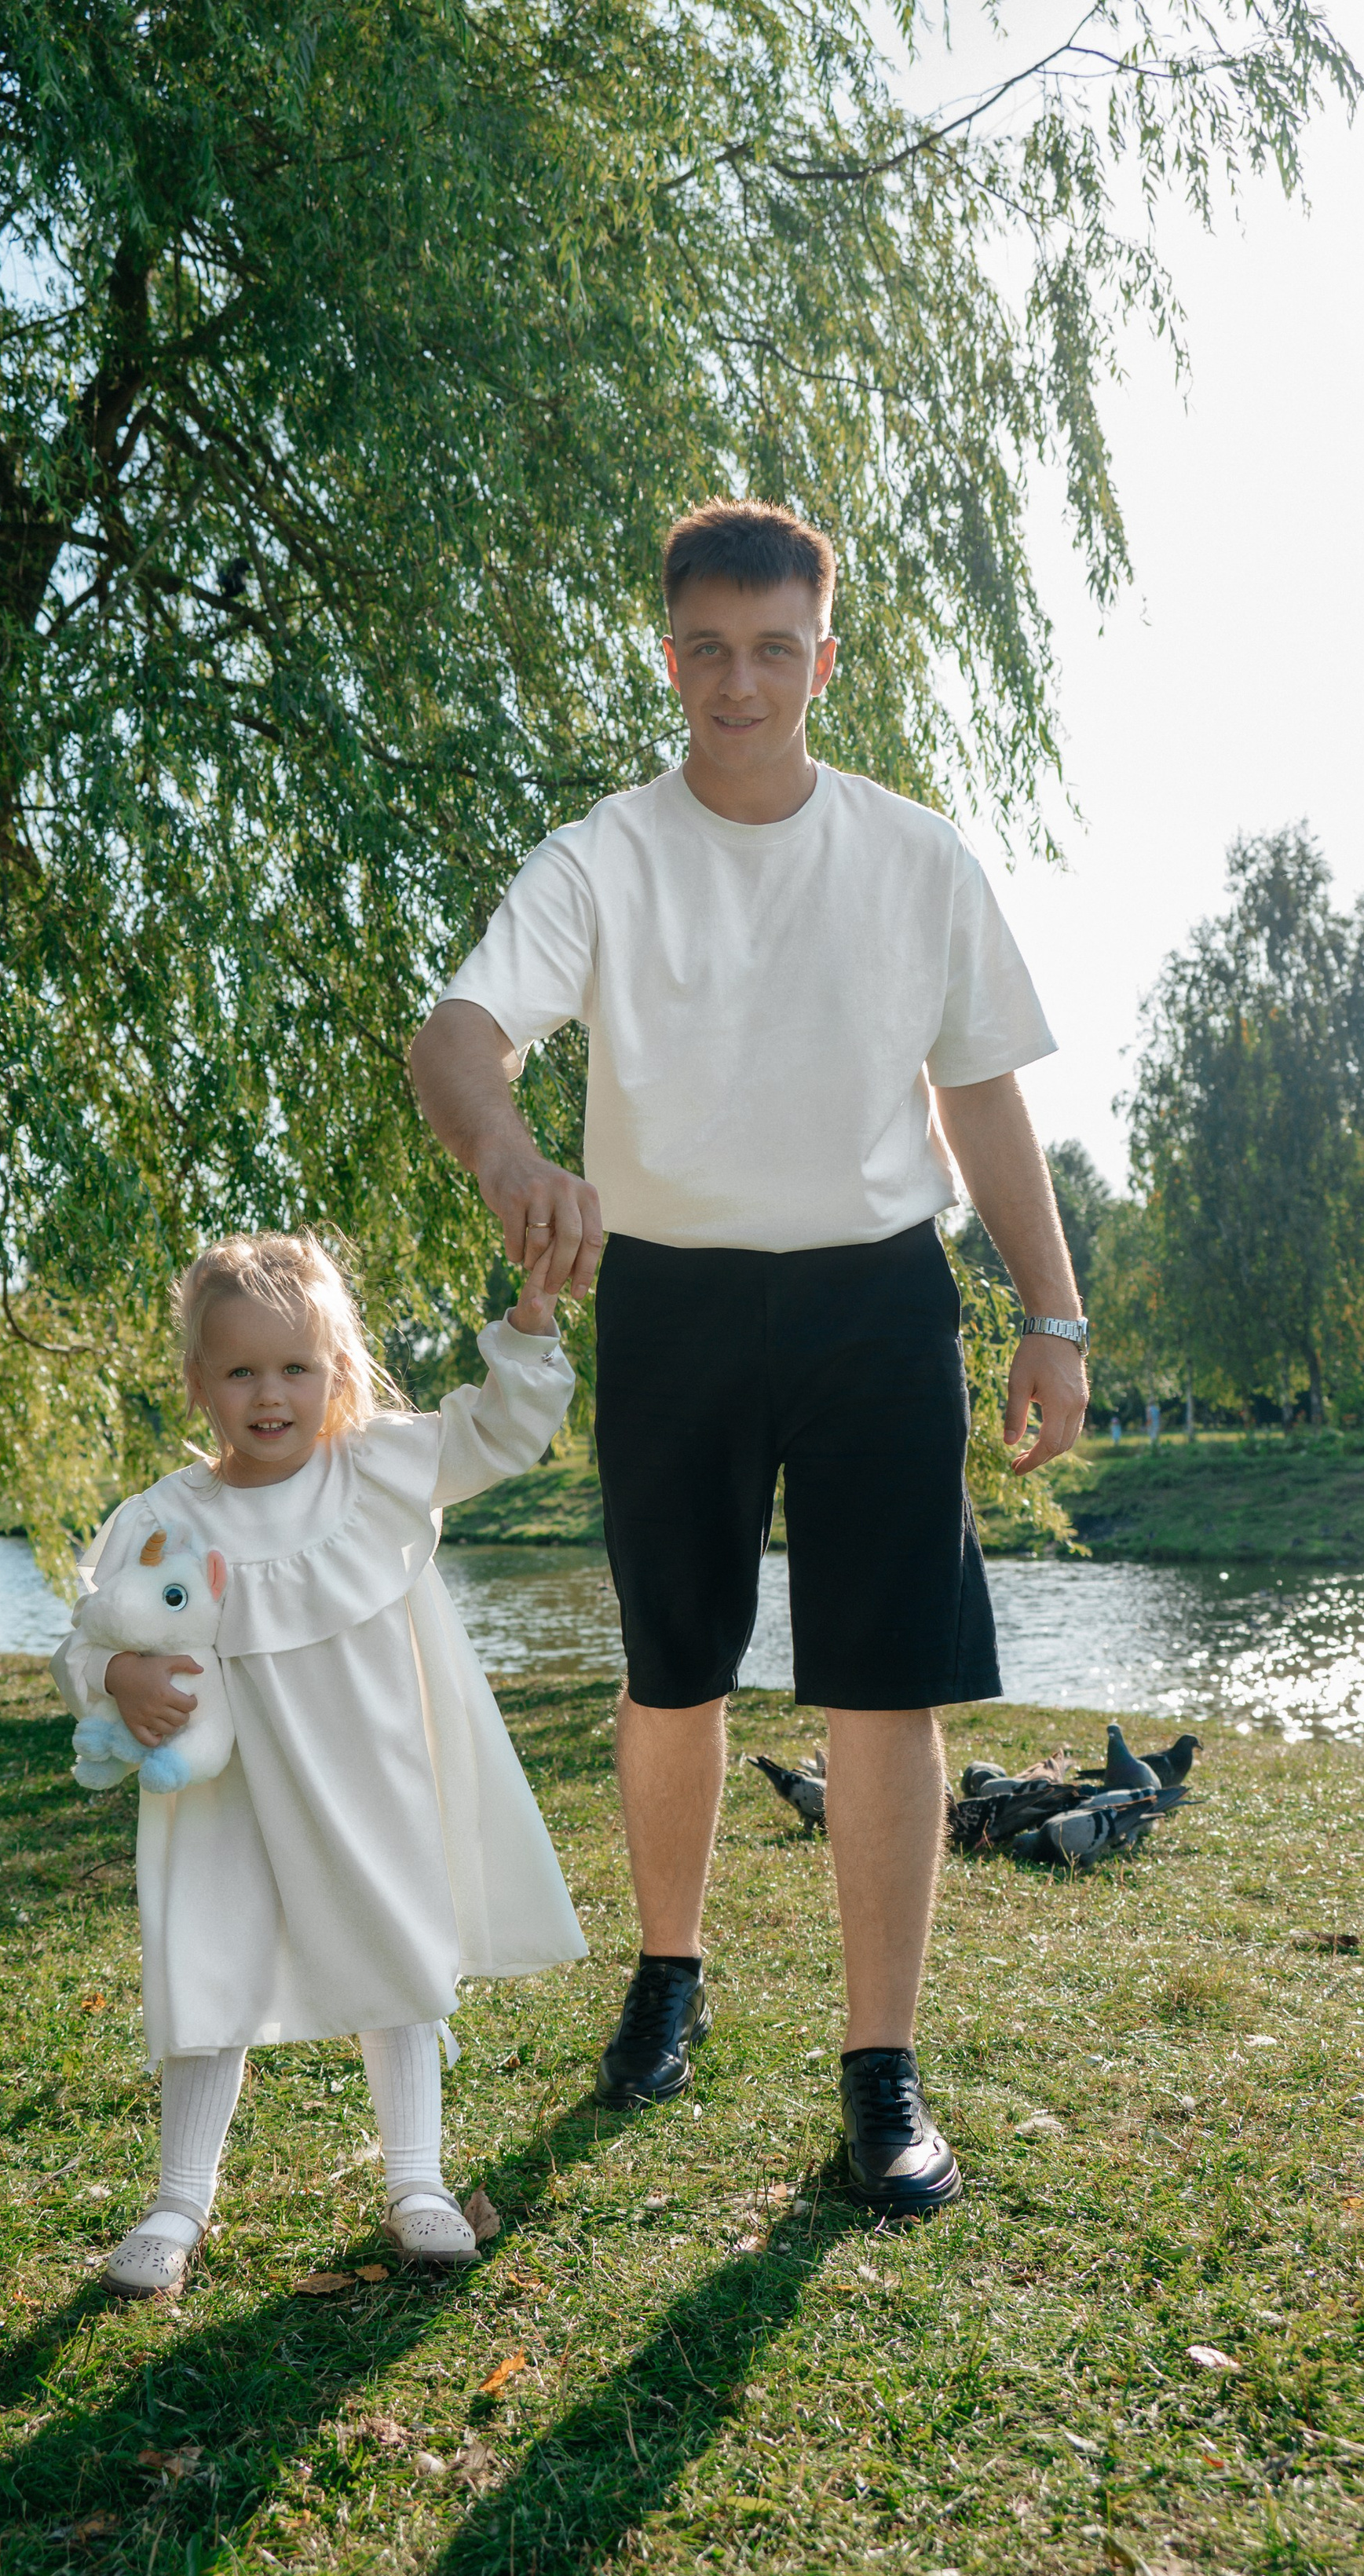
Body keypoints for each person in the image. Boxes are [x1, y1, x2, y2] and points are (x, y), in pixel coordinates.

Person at [409, 498, 1088, 2218]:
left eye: (771, 649)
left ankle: (880, 2071)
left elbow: (980, 1094)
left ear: (818, 660)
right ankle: (670, 1972)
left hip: (875, 1297)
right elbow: (458, 1037)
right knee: (672, 1667)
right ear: (670, 657)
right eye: (705, 649)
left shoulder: (916, 855)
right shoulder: (600, 860)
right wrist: (509, 1158)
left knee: (883, 1682)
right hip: (672, 1303)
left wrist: (1051, 1312)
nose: (738, 681)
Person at [50, 1231, 587, 2297]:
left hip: (365, 1776)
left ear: (336, 1370)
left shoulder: (378, 1467)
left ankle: (417, 2179)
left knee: (392, 1945)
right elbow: (88, 1634)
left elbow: (500, 1432)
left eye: (295, 1366)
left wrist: (528, 1331)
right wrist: (119, 1679)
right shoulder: (164, 1519)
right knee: (206, 1963)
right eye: (241, 1369)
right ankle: (177, 2198)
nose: (269, 1394)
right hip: (224, 1795)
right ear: (199, 1380)